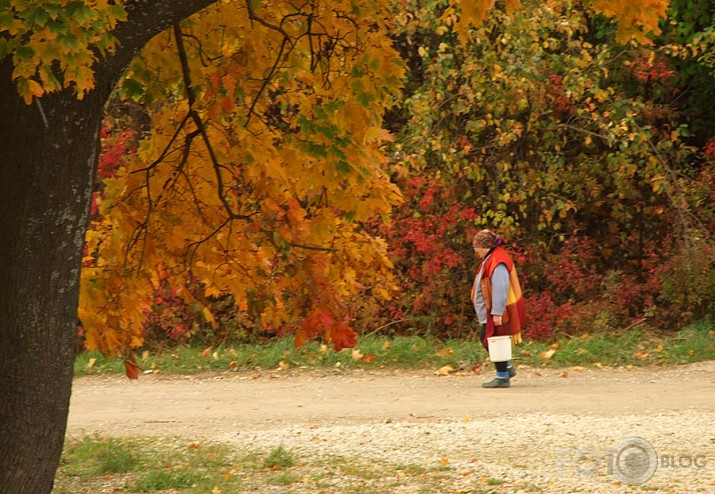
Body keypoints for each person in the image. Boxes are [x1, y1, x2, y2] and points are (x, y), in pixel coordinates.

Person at [470, 229, 526, 388]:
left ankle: (502, 376)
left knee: (493, 339)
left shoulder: (497, 261)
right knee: (490, 338)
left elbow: (501, 288)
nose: (475, 250)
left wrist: (497, 313)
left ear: (484, 246)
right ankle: (506, 369)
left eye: (476, 246)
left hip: (498, 311)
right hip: (491, 311)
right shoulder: (492, 258)